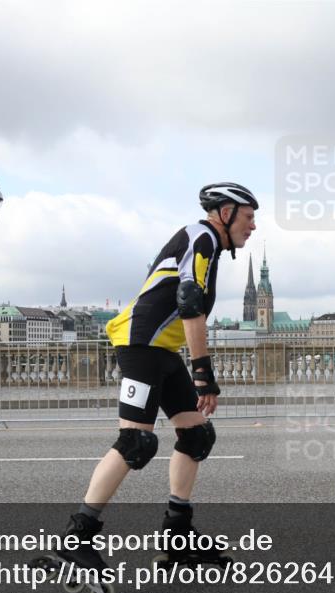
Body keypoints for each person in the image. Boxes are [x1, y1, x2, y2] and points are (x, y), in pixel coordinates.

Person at [58, 182, 258, 571]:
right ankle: (77, 537)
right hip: (140, 346)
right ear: (225, 213)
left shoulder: (209, 245)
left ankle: (177, 534)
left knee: (197, 434)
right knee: (136, 442)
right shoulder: (202, 238)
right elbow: (189, 304)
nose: (252, 227)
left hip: (161, 350)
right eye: (248, 218)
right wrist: (203, 373)